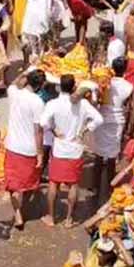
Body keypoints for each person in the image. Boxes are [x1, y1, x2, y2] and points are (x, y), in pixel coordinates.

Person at [40, 75, 103, 228]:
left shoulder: (53, 104)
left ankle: (51, 217)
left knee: (54, 183)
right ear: (74, 87)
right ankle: (69, 219)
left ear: (59, 87)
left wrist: (54, 130)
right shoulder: (83, 104)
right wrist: (85, 130)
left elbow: (43, 122)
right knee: (73, 185)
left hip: (59, 149)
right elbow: (99, 119)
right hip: (75, 149)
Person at [4, 69, 46, 229]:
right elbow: (38, 131)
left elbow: (14, 82)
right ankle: (23, 207)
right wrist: (40, 153)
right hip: (29, 149)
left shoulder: (14, 93)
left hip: (13, 147)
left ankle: (17, 214)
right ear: (40, 86)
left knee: (13, 184)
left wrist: (26, 71)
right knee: (27, 183)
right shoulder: (38, 102)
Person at [89, 57, 133, 206]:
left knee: (98, 154)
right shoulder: (128, 86)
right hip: (117, 121)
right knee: (112, 156)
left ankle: (95, 185)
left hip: (102, 117)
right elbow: (129, 107)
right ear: (125, 69)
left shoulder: (104, 81)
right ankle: (110, 187)